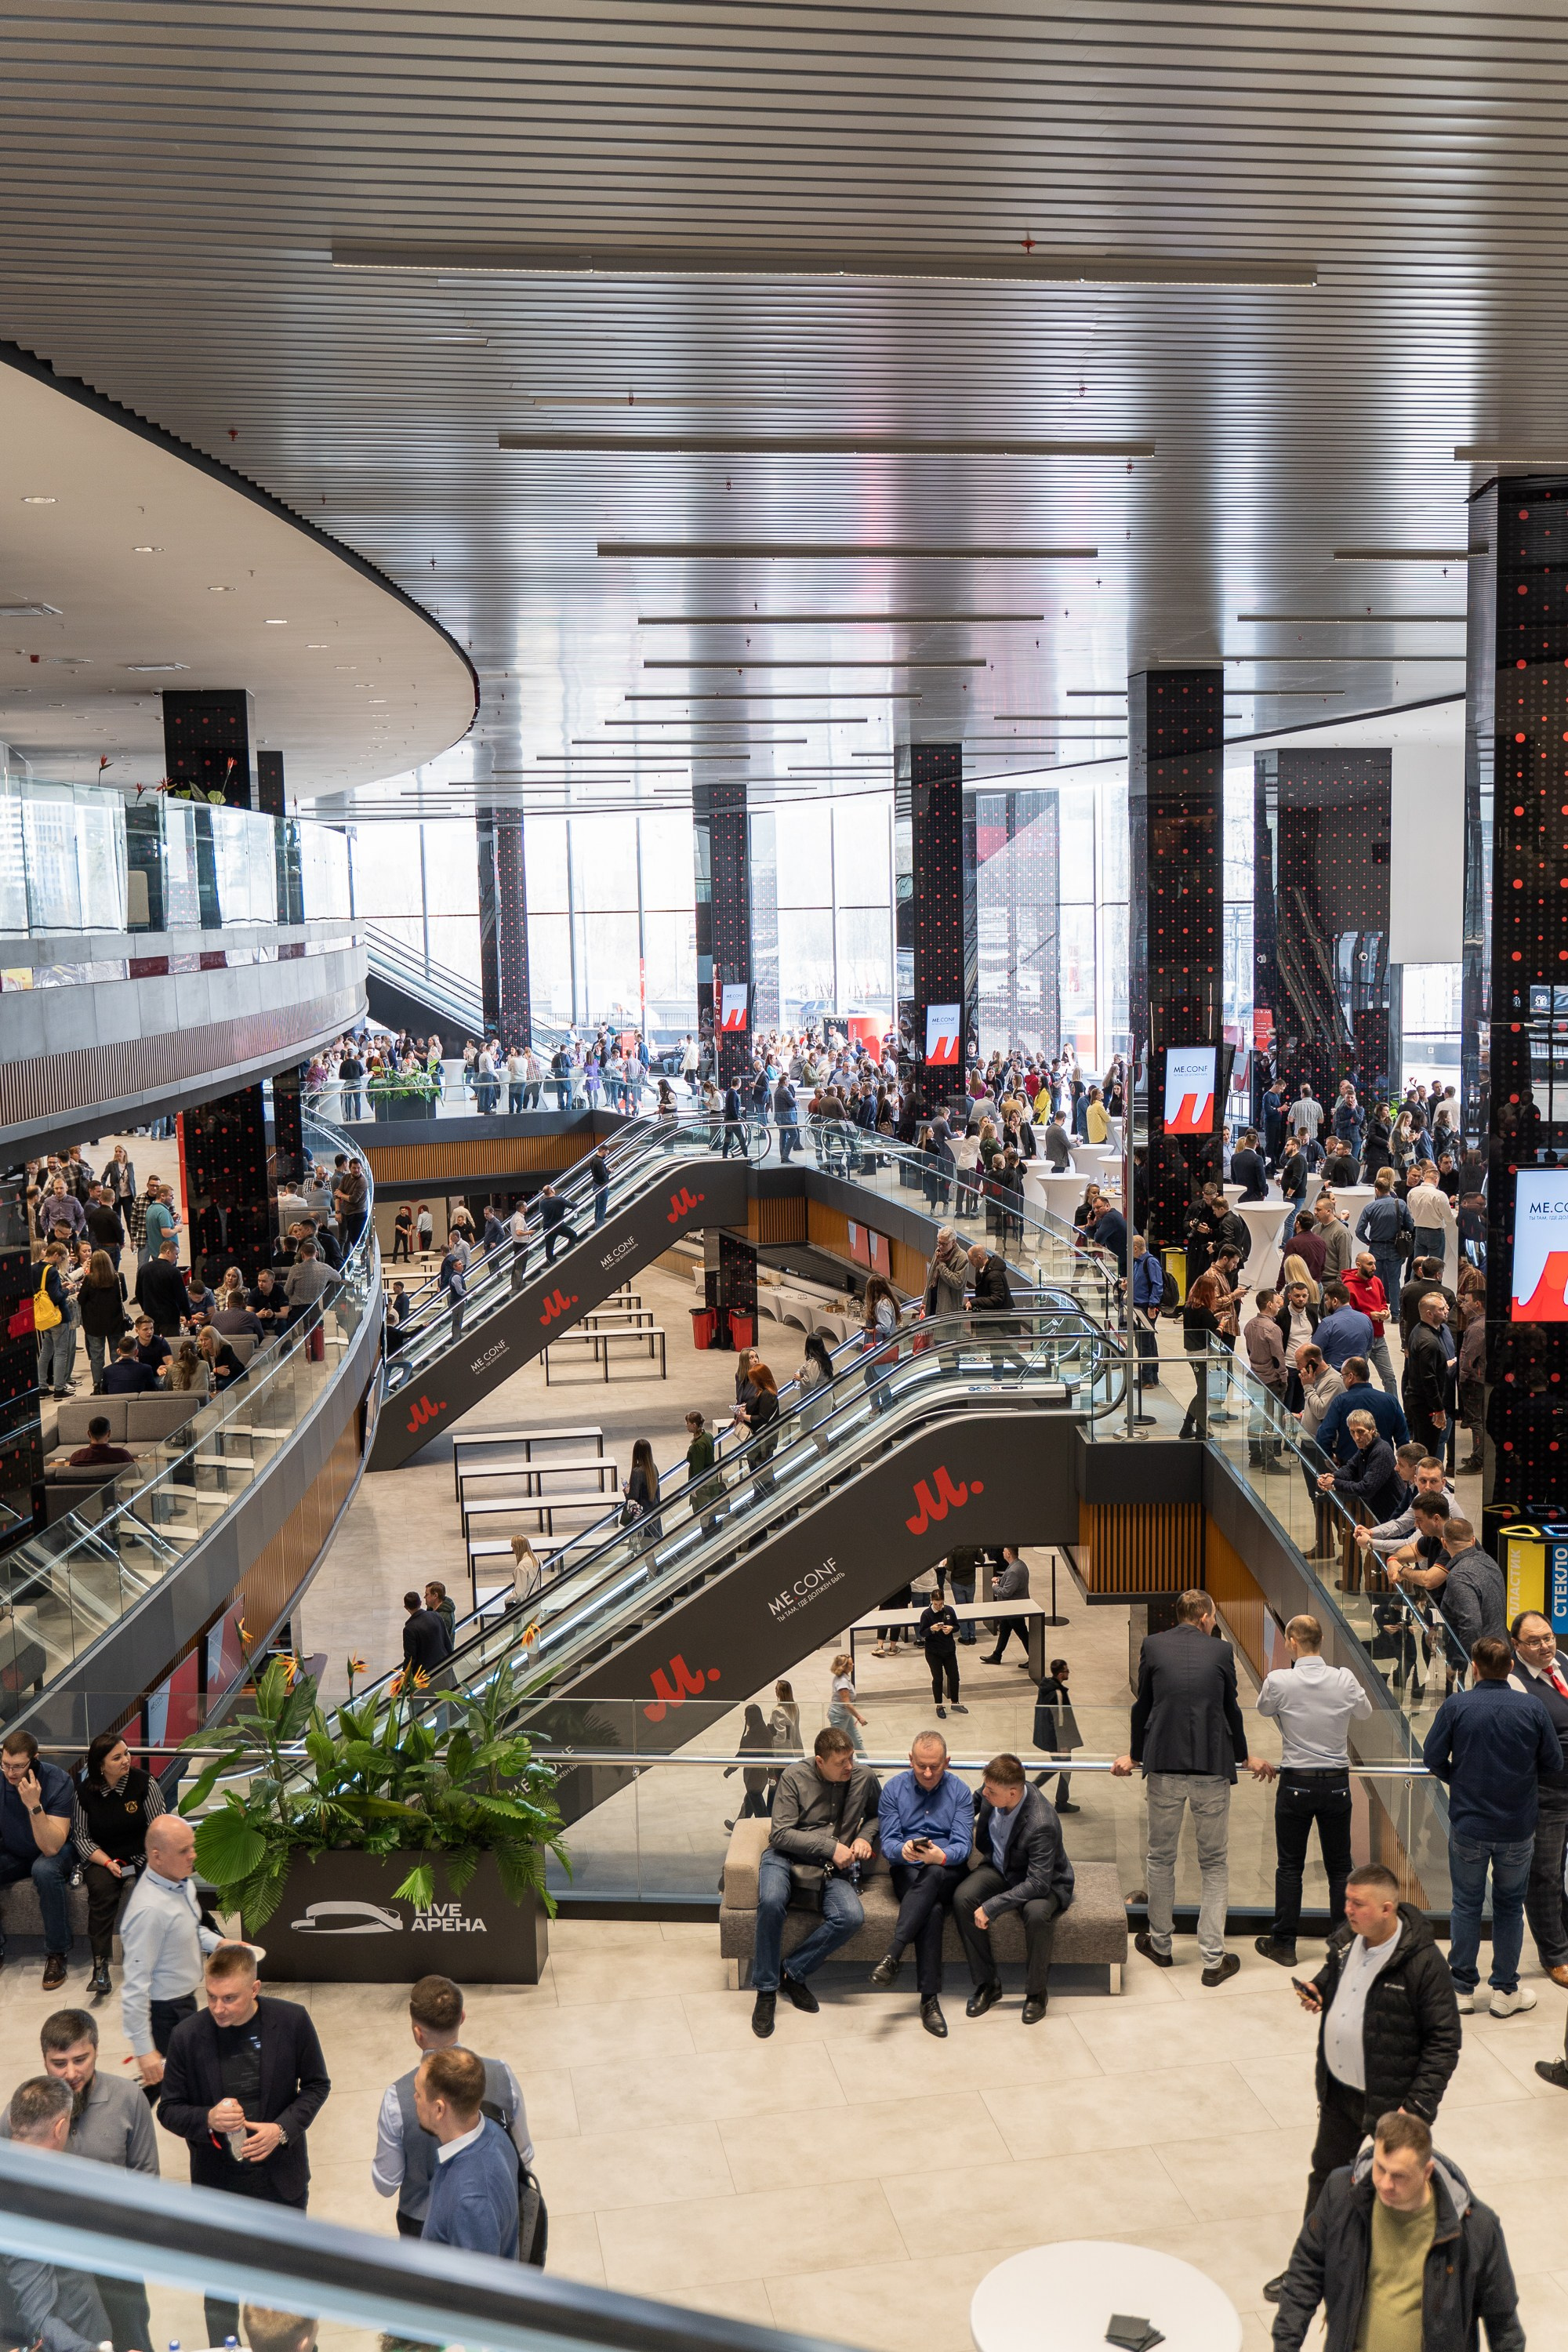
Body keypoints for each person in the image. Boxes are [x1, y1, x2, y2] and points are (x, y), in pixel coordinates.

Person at [159, 1942, 331, 2340]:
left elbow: (316, 2085)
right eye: (211, 1997)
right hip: (218, 2188)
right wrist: (207, 2119)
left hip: (281, 2183)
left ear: (255, 1989)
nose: (218, 2008)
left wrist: (281, 2130)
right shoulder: (187, 2036)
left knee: (288, 2287)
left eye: (229, 1998)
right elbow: (169, 2110)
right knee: (221, 2291)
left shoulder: (292, 2021)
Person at [1112, 1588, 1275, 1984]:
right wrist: (1244, 1756)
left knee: (1160, 1858)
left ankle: (1161, 1945)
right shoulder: (1221, 1651)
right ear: (1203, 1617)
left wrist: (1136, 1754)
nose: (1214, 1622)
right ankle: (1213, 1960)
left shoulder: (1153, 1645)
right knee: (1214, 1863)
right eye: (1213, 1617)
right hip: (1212, 1765)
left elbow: (1143, 1705)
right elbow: (1230, 1709)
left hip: (1164, 1765)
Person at [1269, 2109, 1523, 2352]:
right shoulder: (1341, 2195)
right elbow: (1305, 2272)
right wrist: (1285, 2345)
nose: (1385, 2184)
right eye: (1380, 2168)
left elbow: (1503, 2323)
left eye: (1399, 2176)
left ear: (1427, 2171)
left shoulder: (1475, 2228)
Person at [0, 2009, 158, 2350]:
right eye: (59, 2063)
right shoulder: (22, 2115)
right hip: (59, 2276)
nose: (71, 2073)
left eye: (80, 2060)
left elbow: (147, 2185)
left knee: (132, 2338)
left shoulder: (128, 2100)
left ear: (96, 2051)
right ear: (44, 2059)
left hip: (117, 2259)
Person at [1423, 1634, 1562, 2014]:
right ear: (1511, 1667)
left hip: (1469, 1825)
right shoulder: (1532, 1707)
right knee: (1510, 1907)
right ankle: (1505, 1991)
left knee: (1466, 1905)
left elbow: (1432, 1757)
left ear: (1475, 1668)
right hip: (1517, 1827)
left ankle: (1462, 1990)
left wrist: (1459, 1778)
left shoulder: (1457, 1706)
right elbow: (1553, 1762)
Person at [372, 1973, 532, 2238]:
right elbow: (524, 2155)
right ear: (462, 2017)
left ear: (417, 2034)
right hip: (496, 2213)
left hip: (422, 2225)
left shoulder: (396, 2098)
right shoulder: (502, 2074)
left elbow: (386, 2183)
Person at [1253, 1616, 1373, 1965]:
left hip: (1296, 1783)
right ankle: (1343, 1946)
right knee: (1340, 1867)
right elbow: (1365, 1713)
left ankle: (1284, 1945)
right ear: (1321, 1641)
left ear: (1292, 1642)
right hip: (1336, 1784)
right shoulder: (1344, 1678)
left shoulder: (1280, 1680)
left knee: (1290, 1867)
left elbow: (1264, 1708)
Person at [751, 1726, 880, 2039]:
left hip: (829, 1869)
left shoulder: (863, 1777)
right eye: (841, 1762)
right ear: (820, 1761)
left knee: (850, 1916)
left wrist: (865, 1836)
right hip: (785, 1858)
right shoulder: (794, 1777)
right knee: (771, 1901)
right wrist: (830, 1847)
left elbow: (878, 1815)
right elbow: (780, 1834)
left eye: (851, 1758)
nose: (849, 1766)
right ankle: (766, 1990)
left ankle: (792, 1972)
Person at [953, 1752, 1074, 2026]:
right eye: (985, 1788)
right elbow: (967, 1806)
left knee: (1036, 1914)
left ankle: (1036, 1992)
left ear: (1012, 1793)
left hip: (1043, 1881)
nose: (984, 1794)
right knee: (963, 1898)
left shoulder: (1041, 1823)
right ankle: (987, 1984)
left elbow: (1038, 1883)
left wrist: (992, 1906)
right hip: (1000, 1867)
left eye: (991, 1792)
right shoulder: (993, 1790)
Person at [869, 1730, 975, 2035]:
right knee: (932, 1910)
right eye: (921, 1766)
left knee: (936, 1872)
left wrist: (942, 1856)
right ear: (910, 1760)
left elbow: (963, 1846)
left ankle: (894, 1953)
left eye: (935, 1766)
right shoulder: (893, 1790)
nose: (928, 1773)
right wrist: (901, 1850)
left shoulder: (960, 1792)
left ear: (947, 1762)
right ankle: (929, 2001)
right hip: (908, 1870)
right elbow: (889, 1841)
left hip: (948, 1870)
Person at [0, 2076, 114, 2352]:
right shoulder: (25, 2198)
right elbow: (39, 2318)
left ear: (13, 2121)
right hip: (68, 2342)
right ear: (61, 2127)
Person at [118, 1812, 226, 2092]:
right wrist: (144, 2049)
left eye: (192, 1846)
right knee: (176, 2087)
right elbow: (135, 1985)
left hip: (184, 2001)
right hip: (165, 2013)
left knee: (178, 2083)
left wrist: (219, 1944)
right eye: (183, 1850)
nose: (193, 1855)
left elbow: (186, 1929)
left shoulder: (180, 1883)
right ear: (157, 1856)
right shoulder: (149, 1912)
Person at [71, 1731, 165, 1999]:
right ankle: (100, 1967)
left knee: (156, 1889)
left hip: (142, 1855)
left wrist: (145, 1858)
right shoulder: (84, 1793)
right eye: (117, 1757)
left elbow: (159, 1827)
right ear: (100, 1765)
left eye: (126, 1753)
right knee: (101, 1895)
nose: (126, 1760)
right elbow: (81, 1837)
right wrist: (107, 1862)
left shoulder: (144, 1783)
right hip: (103, 1859)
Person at [1508, 1610, 1568, 1990]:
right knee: (1544, 1874)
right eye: (1534, 1641)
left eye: (1548, 1637)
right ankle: (1556, 1956)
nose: (1545, 1646)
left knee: (1563, 1873)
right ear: (1516, 1645)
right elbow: (1525, 1741)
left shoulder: (1562, 1661)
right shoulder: (1514, 1681)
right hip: (1547, 1794)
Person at [413, 2046, 522, 2257]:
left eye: (419, 2093)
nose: (414, 2098)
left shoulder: (470, 2202)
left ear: (439, 2109)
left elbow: (478, 2277)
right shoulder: (494, 2129)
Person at [0, 1729, 75, 1991]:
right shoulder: (2, 1778)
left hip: (56, 1849)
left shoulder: (58, 1781)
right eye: (5, 1765)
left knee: (44, 1870)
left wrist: (33, 1804)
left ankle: (57, 1953)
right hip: (15, 1850)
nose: (10, 1773)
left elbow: (51, 1846)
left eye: (18, 1766)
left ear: (34, 1760)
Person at [1313, 1409, 1405, 1520]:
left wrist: (1334, 1483)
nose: (1356, 1437)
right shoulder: (1366, 1448)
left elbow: (1366, 1488)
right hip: (1381, 1514)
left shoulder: (1381, 1451)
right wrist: (1333, 1476)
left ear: (1372, 1430)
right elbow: (1350, 1468)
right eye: (1352, 1432)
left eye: (1360, 1431)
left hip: (1395, 1517)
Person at [1033, 1657, 1081, 1809]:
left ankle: (1035, 1791)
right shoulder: (1058, 1694)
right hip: (1057, 1740)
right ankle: (1058, 1801)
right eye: (1067, 1671)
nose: (1069, 1673)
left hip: (1047, 1736)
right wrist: (1064, 1745)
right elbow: (1060, 1721)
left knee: (1058, 1766)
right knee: (1063, 1768)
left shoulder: (1046, 1687)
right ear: (1060, 1674)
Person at [917, 1583, 964, 1718]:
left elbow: (957, 1626)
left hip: (949, 1650)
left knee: (954, 1677)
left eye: (941, 1604)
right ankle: (939, 1705)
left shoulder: (949, 1610)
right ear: (932, 1601)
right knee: (938, 1679)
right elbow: (922, 1633)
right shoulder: (926, 1614)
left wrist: (951, 1628)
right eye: (936, 1604)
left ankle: (955, 1702)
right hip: (933, 1652)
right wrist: (932, 1629)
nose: (939, 1606)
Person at [982, 1545, 1030, 1664]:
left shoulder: (1014, 1570)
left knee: (1023, 1634)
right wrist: (999, 1579)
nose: (1002, 1553)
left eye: (1004, 1551)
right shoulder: (1019, 1564)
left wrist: (995, 1587)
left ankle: (1034, 1658)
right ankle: (996, 1655)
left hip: (1014, 1608)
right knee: (1004, 1630)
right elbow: (1009, 1580)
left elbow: (1007, 1592)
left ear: (1009, 1554)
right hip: (1011, 1607)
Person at [402, 1588, 452, 1682]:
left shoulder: (409, 1629)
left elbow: (410, 1658)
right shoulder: (436, 1615)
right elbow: (447, 1642)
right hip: (444, 1668)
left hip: (426, 1676)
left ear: (406, 1607)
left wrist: (405, 1679)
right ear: (421, 1603)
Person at [64, 1413, 133, 1473]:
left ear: (89, 1434)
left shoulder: (76, 1457)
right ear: (109, 1433)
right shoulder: (122, 1455)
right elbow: (135, 1476)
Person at [827, 1652, 867, 1750]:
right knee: (838, 1744)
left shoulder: (843, 1678)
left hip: (845, 1715)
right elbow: (847, 1703)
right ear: (843, 1667)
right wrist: (859, 1717)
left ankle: (864, 1759)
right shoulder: (842, 1682)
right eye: (850, 1664)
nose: (853, 1665)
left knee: (856, 1740)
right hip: (839, 1716)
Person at [536, 1182, 577, 1264]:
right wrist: (575, 1204)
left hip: (548, 1227)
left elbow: (542, 1212)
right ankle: (568, 1254)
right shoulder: (559, 1199)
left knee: (549, 1248)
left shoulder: (542, 1202)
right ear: (551, 1190)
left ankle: (551, 1264)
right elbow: (572, 1206)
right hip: (559, 1226)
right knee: (573, 1235)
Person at [586, 1144, 611, 1227]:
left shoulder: (593, 1160)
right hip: (602, 1187)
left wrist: (605, 1170)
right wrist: (609, 1171)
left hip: (596, 1185)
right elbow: (602, 1175)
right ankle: (599, 1228)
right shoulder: (600, 1161)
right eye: (607, 1153)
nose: (607, 1155)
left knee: (597, 1208)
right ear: (603, 1151)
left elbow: (597, 1173)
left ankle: (597, 1226)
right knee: (602, 1209)